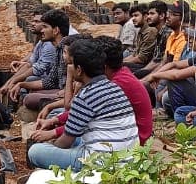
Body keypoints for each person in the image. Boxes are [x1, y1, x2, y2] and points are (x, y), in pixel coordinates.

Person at [27, 36, 139, 171]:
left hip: (101, 163)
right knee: (77, 138)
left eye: (72, 65)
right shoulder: (113, 88)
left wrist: (51, 148)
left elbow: (65, 141)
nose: (69, 67)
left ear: (79, 69)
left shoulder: (86, 96)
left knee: (35, 151)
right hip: (127, 158)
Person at [2, 9, 70, 112]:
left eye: (45, 27)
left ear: (56, 30)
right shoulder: (57, 49)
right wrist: (21, 84)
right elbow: (50, 81)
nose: (41, 30)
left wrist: (62, 93)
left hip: (67, 94)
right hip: (60, 90)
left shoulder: (66, 50)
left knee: (30, 98)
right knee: (30, 90)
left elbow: (74, 85)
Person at [144, 20, 196, 119]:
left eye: (195, 39)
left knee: (174, 81)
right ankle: (168, 111)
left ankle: (181, 116)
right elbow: (174, 64)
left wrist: (154, 75)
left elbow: (177, 75)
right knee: (167, 84)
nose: (190, 40)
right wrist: (156, 75)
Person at [122, 3, 159, 71]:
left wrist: (121, 64)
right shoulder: (141, 30)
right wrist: (121, 62)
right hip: (139, 63)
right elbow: (134, 54)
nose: (133, 19)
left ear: (145, 16)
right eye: (132, 16)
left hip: (146, 66)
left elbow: (141, 58)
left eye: (136, 15)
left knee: (120, 67)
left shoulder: (150, 30)